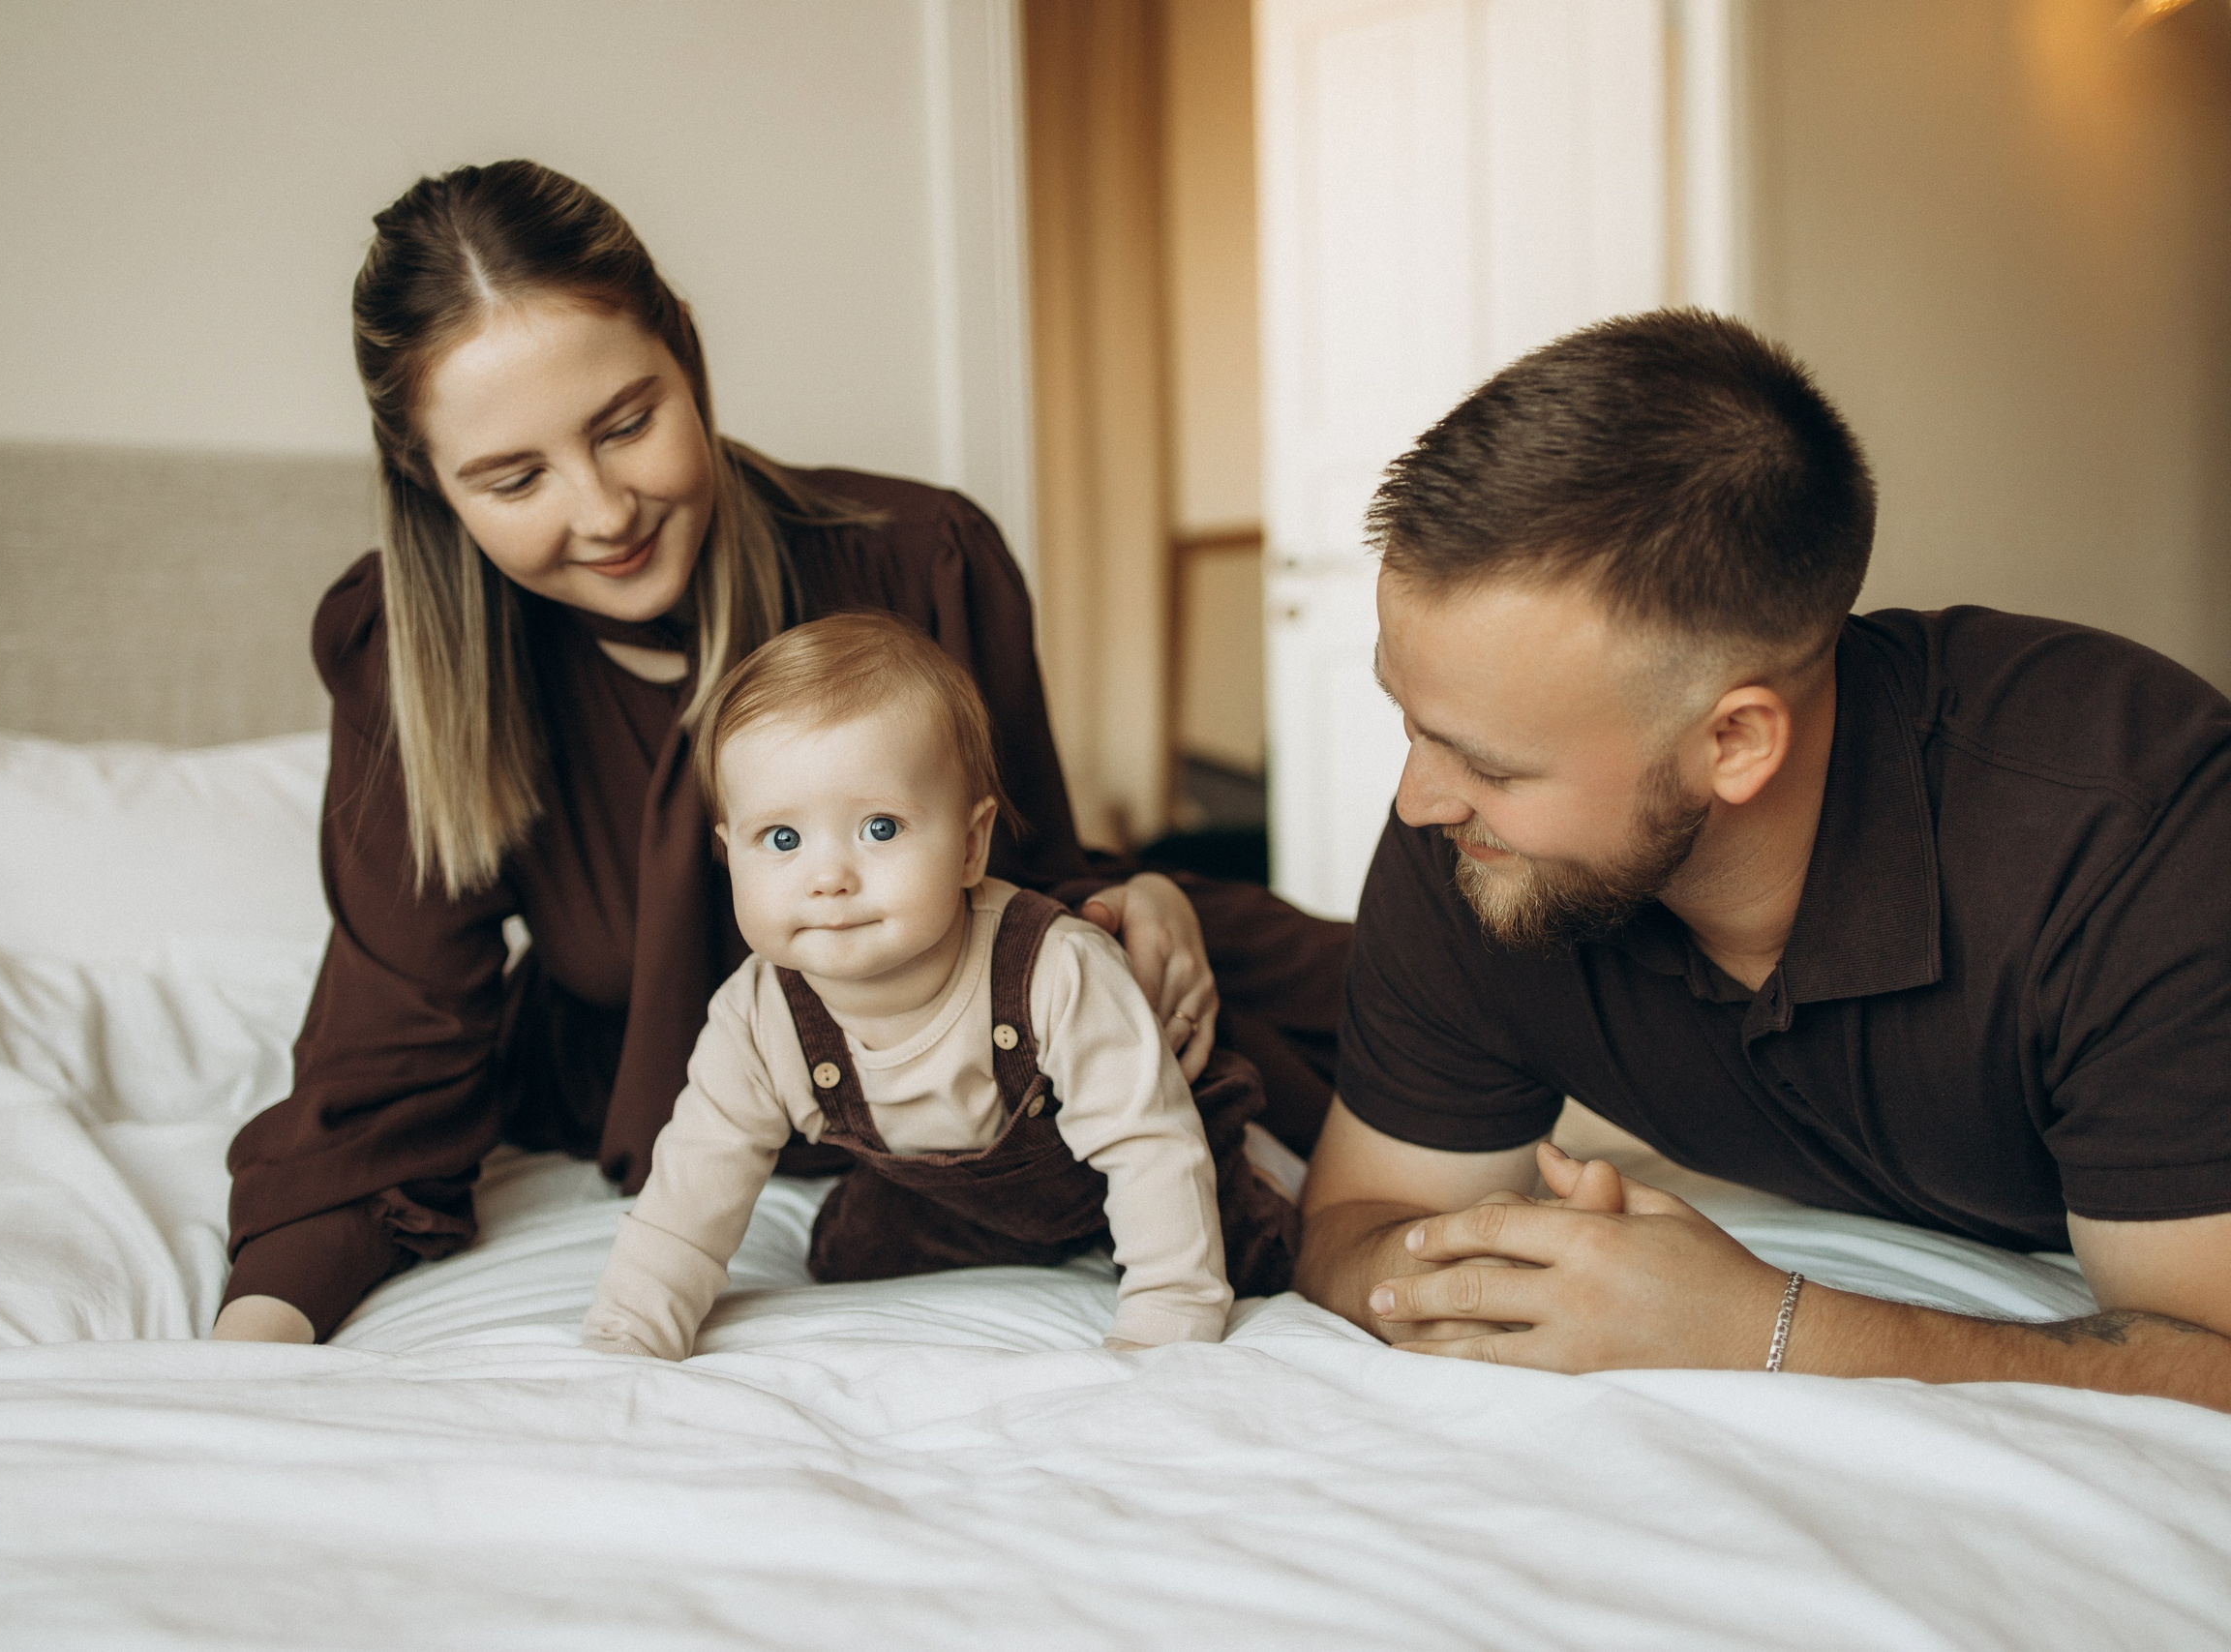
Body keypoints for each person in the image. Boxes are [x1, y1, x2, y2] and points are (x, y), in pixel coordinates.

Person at [214, 161, 1349, 1343]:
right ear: (429, 482)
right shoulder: (409, 655)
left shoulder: (924, 557)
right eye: (514, 479)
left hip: (954, 1026)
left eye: (627, 425)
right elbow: (387, 1049)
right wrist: (262, 1333)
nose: (603, 513)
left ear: (688, 359)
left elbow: (1019, 875)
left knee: (1344, 995)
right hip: (632, 1078)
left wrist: (1134, 895)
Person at [1297, 308, 2231, 1410]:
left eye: (1491, 764)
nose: (1418, 800)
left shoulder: (2132, 834)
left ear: (1734, 741)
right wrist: (1507, 1283)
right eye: (1412, 723)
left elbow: (2205, 1353)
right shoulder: (1476, 843)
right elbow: (1356, 1226)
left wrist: (1762, 1327)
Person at [583, 612, 1299, 1361]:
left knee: (1247, 1248)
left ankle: (1261, 1167)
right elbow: (690, 1187)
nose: (829, 878)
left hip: (1135, 1145)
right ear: (731, 857)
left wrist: (1161, 1326)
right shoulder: (758, 1017)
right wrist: (631, 1330)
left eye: (881, 828)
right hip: (959, 1191)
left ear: (969, 844)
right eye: (783, 839)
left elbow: (1148, 1142)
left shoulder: (1055, 967)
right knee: (844, 1254)